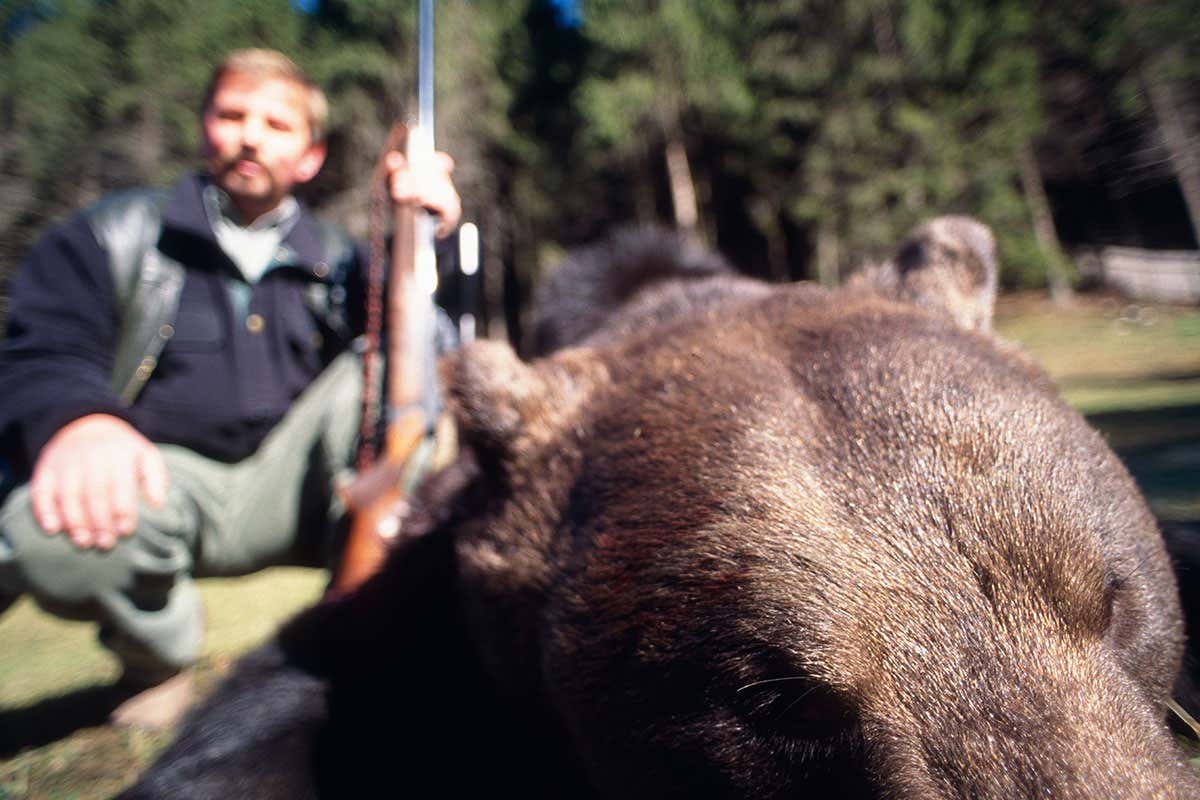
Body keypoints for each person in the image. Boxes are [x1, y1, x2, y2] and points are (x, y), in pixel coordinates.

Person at [0, 49, 462, 727]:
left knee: (397, 364)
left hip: (297, 492)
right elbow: (44, 346)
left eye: (277, 124)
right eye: (232, 115)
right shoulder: (112, 233)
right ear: (204, 128)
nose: (251, 137)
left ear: (310, 157)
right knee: (43, 529)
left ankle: (359, 628)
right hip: (162, 486)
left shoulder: (341, 261)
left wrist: (426, 233)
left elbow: (430, 344)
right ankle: (156, 659)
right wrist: (77, 419)